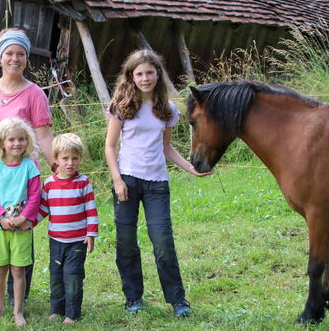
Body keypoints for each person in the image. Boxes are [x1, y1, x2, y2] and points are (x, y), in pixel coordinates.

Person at [104, 49, 210, 316]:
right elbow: (110, 146)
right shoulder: (121, 106)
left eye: (150, 72)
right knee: (126, 242)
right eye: (139, 74)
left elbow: (167, 148)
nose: (145, 78)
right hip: (127, 180)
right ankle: (133, 297)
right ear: (131, 76)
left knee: (163, 243)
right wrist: (117, 180)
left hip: (157, 184)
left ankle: (178, 300)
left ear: (157, 74)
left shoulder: (168, 109)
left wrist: (190, 168)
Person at [0, 28, 54, 305]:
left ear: (26, 59)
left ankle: (18, 291)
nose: (14, 59)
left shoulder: (35, 94)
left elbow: (43, 135)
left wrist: (58, 167)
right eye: (9, 53)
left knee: (20, 231)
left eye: (20, 54)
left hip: (22, 177)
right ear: (0, 57)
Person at [0, 117, 41, 325]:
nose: (17, 143)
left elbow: (35, 196)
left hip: (22, 227)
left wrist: (24, 218)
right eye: (12, 139)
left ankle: (18, 311)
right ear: (2, 143)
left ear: (27, 141)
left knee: (18, 270)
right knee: (0, 268)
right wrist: (1, 218)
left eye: (22, 139)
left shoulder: (30, 166)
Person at [36, 133, 98, 324]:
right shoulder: (48, 184)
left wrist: (91, 234)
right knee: (56, 276)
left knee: (72, 276)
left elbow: (91, 210)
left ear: (80, 159)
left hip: (77, 241)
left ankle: (72, 313)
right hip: (56, 240)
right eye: (65, 158)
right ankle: (56, 309)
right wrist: (28, 223)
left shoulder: (83, 182)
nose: (70, 163)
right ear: (55, 159)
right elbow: (44, 209)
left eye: (75, 158)